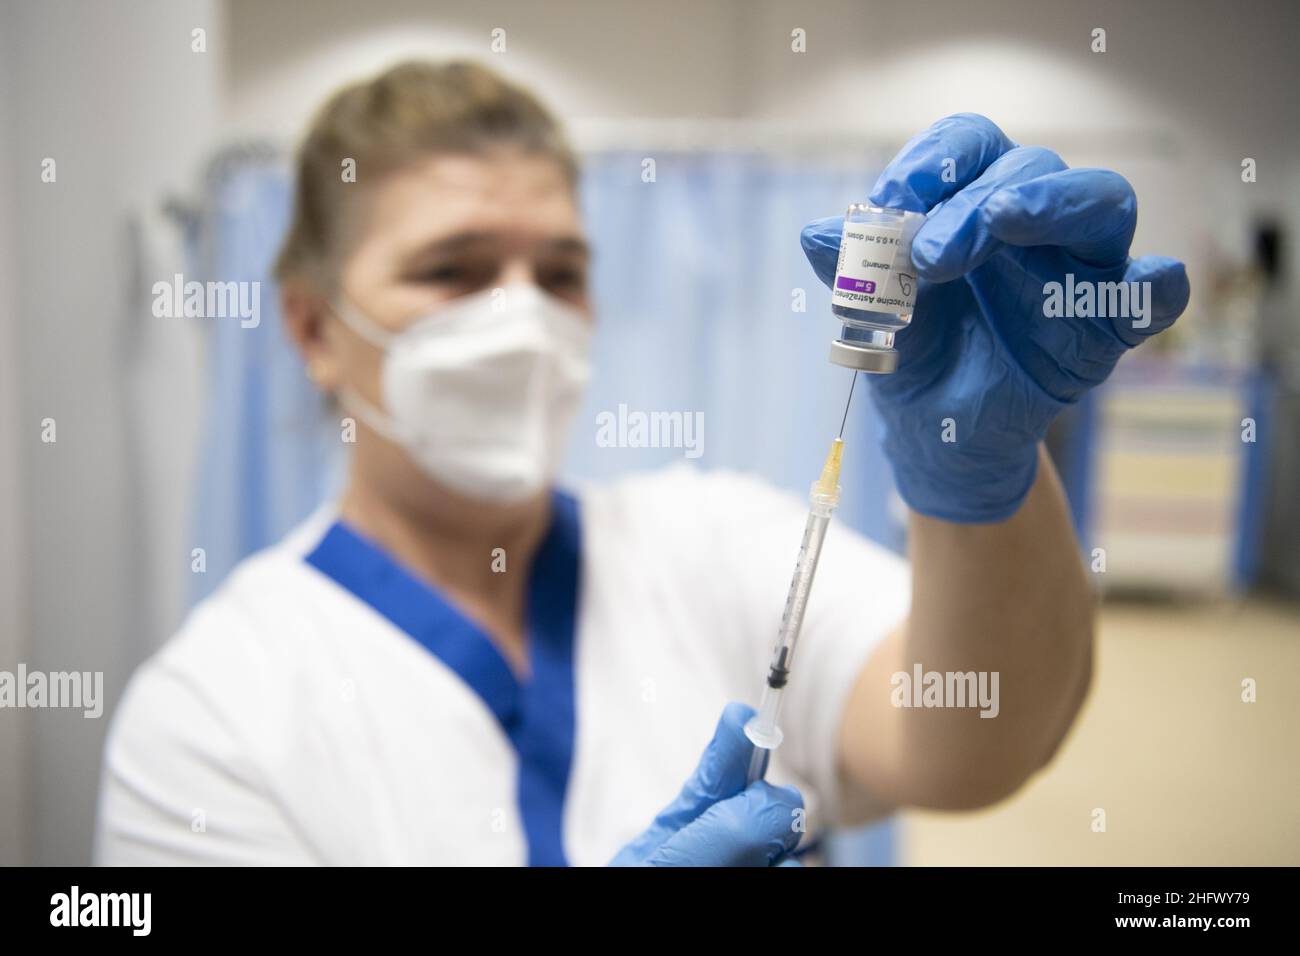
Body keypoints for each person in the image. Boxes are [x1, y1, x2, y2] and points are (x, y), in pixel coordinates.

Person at [94, 60, 1189, 866]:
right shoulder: (211, 714)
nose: (520, 314)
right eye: (453, 270)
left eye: (558, 272)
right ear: (313, 327)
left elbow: (975, 739)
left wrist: (979, 471)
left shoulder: (705, 536)